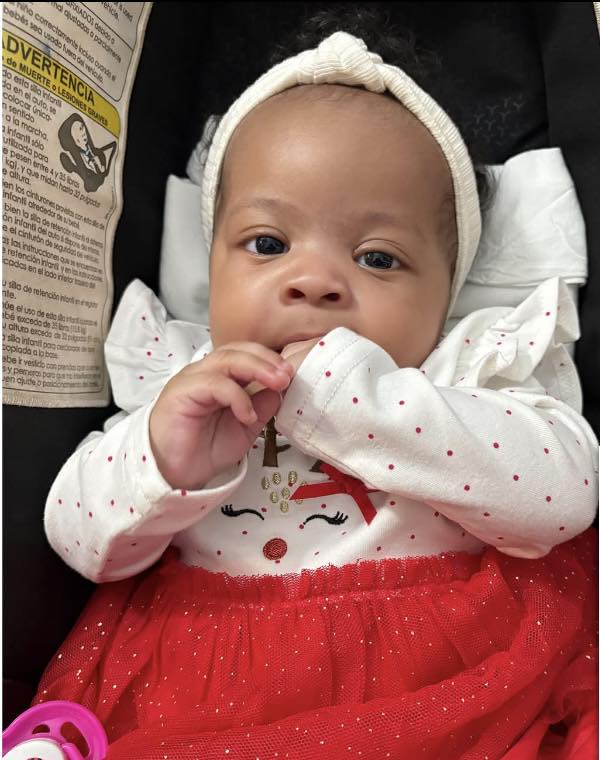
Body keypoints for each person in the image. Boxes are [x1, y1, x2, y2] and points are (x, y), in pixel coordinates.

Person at [36, 12, 598, 760]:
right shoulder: (183, 376)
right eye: (268, 243)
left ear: (445, 296)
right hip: (206, 692)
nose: (314, 281)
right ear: (213, 267)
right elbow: (79, 545)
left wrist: (364, 403)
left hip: (441, 691)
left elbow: (565, 496)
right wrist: (163, 459)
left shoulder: (459, 371)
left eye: (377, 257)